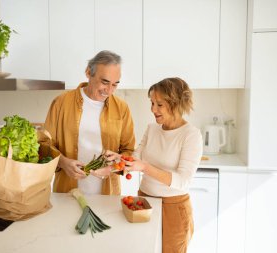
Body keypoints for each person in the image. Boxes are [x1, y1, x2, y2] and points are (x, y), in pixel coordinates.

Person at [106, 77, 202, 253]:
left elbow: (183, 181)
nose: (153, 109)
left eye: (159, 104)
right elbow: (135, 159)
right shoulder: (152, 129)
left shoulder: (191, 135)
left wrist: (144, 168)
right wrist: (117, 159)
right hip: (144, 202)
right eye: (152, 103)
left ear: (176, 103)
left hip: (173, 209)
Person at [44, 50, 135, 195]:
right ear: (88, 72)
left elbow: (128, 150)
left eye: (115, 84)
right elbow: (45, 145)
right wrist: (63, 162)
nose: (109, 90)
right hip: (67, 192)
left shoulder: (121, 108)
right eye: (105, 82)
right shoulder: (61, 103)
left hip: (107, 196)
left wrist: (113, 167)